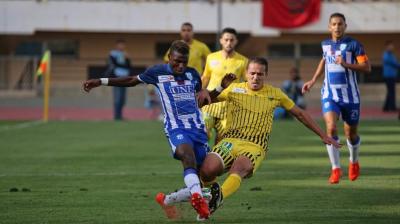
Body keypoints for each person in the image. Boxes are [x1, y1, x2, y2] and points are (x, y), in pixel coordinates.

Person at [158, 57, 340, 219]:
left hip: (255, 145)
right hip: (229, 141)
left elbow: (300, 114)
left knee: (240, 167)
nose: (255, 77)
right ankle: (203, 195)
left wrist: (323, 135)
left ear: (266, 75)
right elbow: (207, 99)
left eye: (260, 74)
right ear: (246, 73)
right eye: (252, 73)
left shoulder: (275, 94)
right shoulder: (234, 89)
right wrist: (210, 90)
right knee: (206, 170)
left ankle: (216, 198)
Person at [83, 40, 211, 220]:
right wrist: (101, 81)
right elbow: (131, 80)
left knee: (202, 177)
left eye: (184, 61)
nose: (181, 66)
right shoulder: (157, 72)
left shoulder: (193, 74)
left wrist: (209, 89)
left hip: (197, 129)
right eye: (177, 61)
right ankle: (200, 203)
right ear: (169, 58)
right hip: (176, 128)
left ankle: (167, 200)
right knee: (187, 156)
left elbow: (202, 97)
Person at [302, 12, 371, 184]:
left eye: (340, 24)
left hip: (350, 97)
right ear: (329, 27)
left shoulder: (354, 45)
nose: (337, 27)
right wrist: (313, 80)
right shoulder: (325, 44)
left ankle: (353, 162)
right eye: (334, 24)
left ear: (345, 26)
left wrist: (346, 64)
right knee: (331, 128)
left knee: (351, 134)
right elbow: (324, 60)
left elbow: (367, 67)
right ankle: (335, 168)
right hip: (330, 94)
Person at [201, 27, 248, 144]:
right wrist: (199, 93)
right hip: (210, 103)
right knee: (203, 133)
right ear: (221, 40)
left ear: (236, 41)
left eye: (232, 40)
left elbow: (248, 83)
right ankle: (201, 159)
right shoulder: (211, 57)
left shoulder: (243, 61)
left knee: (221, 140)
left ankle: (214, 161)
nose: (229, 43)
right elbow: (205, 77)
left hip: (229, 108)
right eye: (226, 39)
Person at [105, 39, 132, 120]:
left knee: (123, 98)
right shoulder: (112, 54)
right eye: (120, 45)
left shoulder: (125, 54)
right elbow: (113, 64)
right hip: (117, 77)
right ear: (116, 45)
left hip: (125, 77)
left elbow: (128, 66)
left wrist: (127, 59)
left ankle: (120, 115)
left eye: (123, 45)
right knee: (117, 97)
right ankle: (116, 116)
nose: (122, 46)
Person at [382, 40, 399, 112]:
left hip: (392, 75)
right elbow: (395, 63)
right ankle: (392, 107)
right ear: (386, 46)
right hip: (388, 76)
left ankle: (386, 107)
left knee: (390, 91)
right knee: (391, 92)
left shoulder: (392, 55)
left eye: (392, 46)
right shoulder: (386, 55)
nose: (391, 47)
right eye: (390, 46)